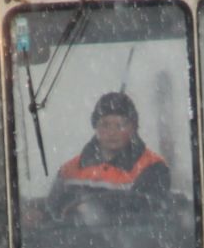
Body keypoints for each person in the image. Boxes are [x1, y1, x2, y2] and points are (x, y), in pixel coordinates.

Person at [48, 91, 171, 219]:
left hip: (130, 238)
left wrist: (94, 208)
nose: (112, 132)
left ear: (133, 128)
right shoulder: (69, 170)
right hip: (75, 238)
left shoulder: (153, 167)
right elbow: (52, 209)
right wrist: (36, 215)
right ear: (95, 127)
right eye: (105, 125)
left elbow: (148, 210)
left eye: (121, 125)